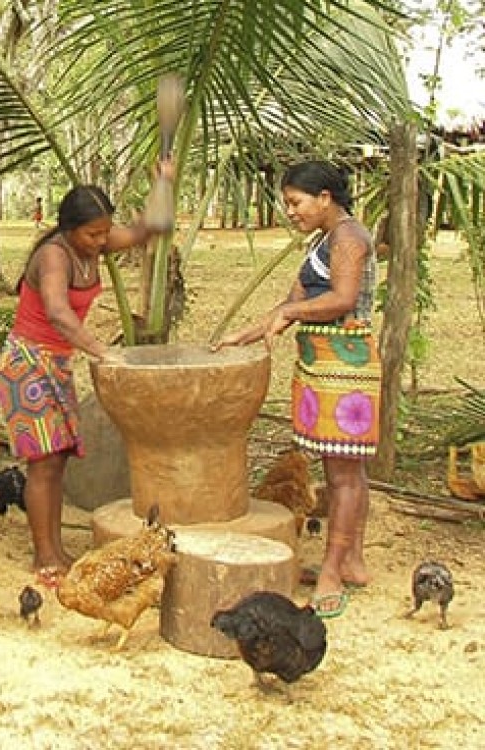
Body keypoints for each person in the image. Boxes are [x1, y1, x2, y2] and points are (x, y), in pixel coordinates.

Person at [212, 160, 381, 619]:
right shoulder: (326, 239)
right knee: (347, 468)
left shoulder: (349, 237)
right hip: (326, 364)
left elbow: (342, 299)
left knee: (342, 473)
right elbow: (293, 302)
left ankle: (330, 571)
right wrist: (245, 333)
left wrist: (290, 316)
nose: (290, 211)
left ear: (325, 198)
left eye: (295, 202)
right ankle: (352, 560)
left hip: (344, 366)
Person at [0, 163, 175, 584]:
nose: (100, 241)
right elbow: (58, 312)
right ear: (68, 228)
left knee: (56, 463)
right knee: (42, 464)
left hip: (55, 366)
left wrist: (163, 182)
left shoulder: (93, 241)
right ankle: (44, 556)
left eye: (104, 232)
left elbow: (149, 227)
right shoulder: (53, 256)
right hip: (26, 364)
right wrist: (101, 350)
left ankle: (55, 547)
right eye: (92, 234)